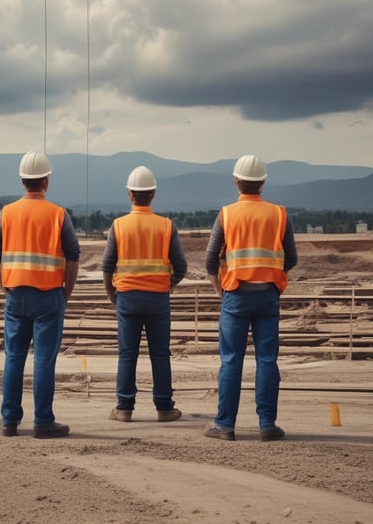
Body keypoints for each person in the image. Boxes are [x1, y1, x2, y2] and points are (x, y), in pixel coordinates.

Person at [204, 154, 297, 441]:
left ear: (236, 182)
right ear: (262, 183)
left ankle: (225, 426)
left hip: (235, 296)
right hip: (268, 295)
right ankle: (267, 425)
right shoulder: (279, 214)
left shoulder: (227, 214)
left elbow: (210, 261)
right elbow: (291, 259)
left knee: (231, 361)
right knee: (267, 360)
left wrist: (221, 290)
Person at [0, 151, 80, 439]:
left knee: (14, 358)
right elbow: (73, 256)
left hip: (16, 294)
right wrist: (66, 291)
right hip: (49, 295)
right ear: (46, 182)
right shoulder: (58, 215)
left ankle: (9, 422)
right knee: (43, 360)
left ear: (22, 180)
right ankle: (43, 422)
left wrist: (5, 286)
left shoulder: (6, 213)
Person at [102, 166, 188, 423]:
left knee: (127, 355)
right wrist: (167, 285)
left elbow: (107, 266)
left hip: (127, 297)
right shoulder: (166, 226)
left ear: (130, 194)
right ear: (152, 194)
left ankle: (124, 408)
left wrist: (112, 296)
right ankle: (164, 408)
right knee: (160, 355)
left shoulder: (118, 226)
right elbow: (181, 267)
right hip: (158, 299)